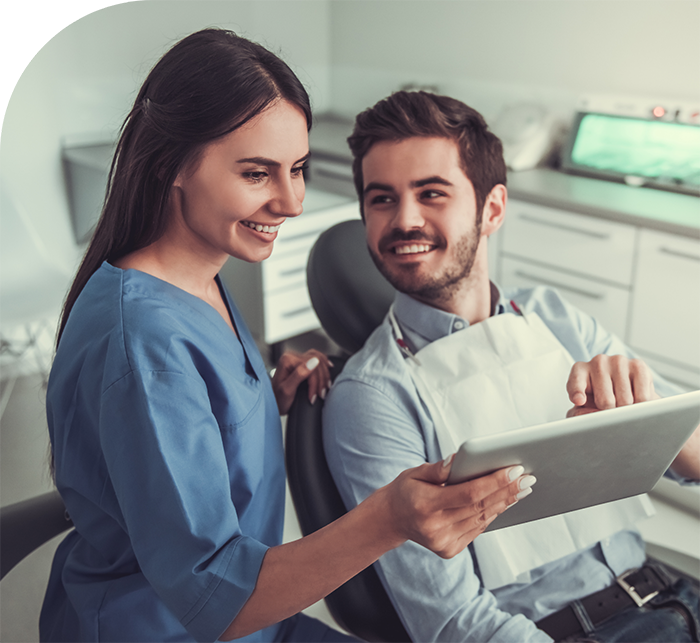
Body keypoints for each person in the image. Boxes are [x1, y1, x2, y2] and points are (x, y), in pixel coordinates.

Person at [40, 31, 531, 643]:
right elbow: (215, 599)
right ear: (172, 166)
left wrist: (254, 399)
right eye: (256, 174)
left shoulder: (200, 282)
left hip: (253, 617)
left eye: (296, 170)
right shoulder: (143, 343)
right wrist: (389, 518)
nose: (291, 201)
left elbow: (175, 423)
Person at [322, 90, 700, 643]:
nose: (404, 220)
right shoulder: (372, 394)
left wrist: (648, 421)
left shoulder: (551, 315)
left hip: (669, 592)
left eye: (432, 193)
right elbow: (453, 622)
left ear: (492, 209)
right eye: (381, 199)